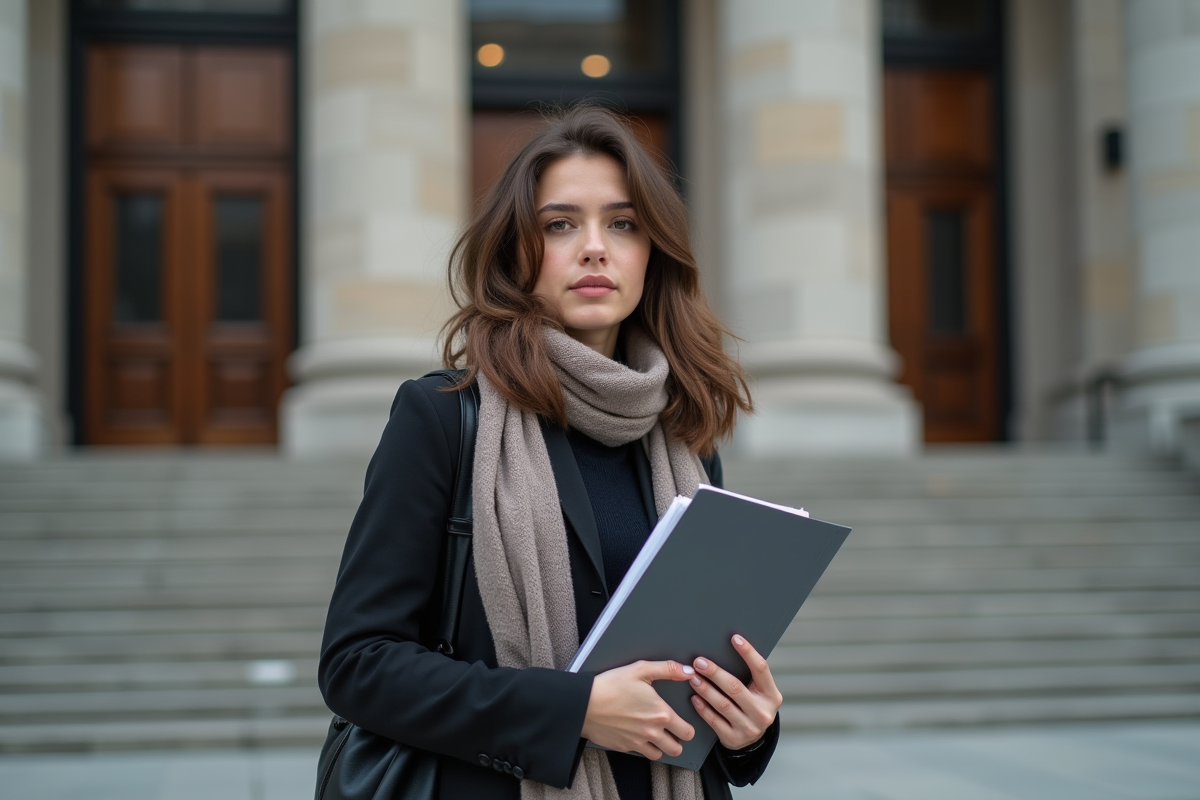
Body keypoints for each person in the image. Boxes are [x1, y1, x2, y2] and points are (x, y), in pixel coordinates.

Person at [318, 104, 783, 800]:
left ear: (653, 254)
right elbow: (358, 664)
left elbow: (693, 668)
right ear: (517, 253)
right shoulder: (443, 418)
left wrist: (748, 727)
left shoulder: (682, 434)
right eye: (560, 224)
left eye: (623, 224)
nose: (594, 248)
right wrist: (574, 711)